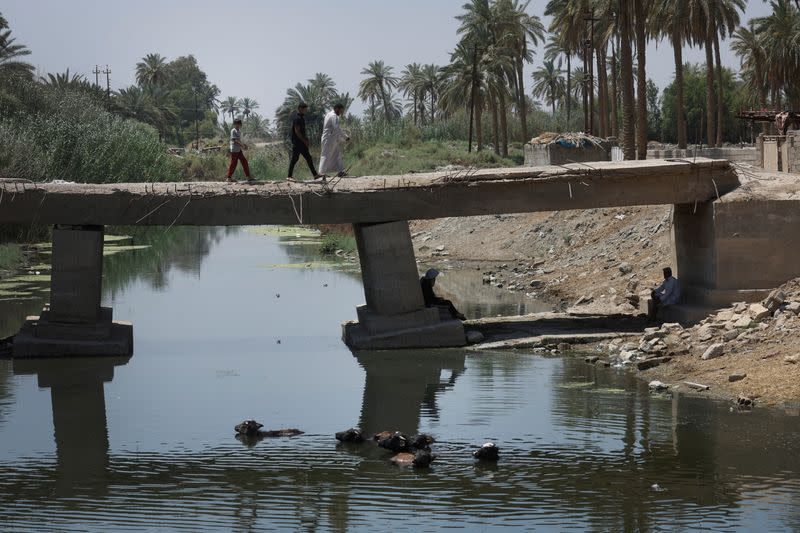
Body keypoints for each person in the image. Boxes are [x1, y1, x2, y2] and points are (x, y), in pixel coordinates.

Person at [287, 102, 320, 181]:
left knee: (308, 158)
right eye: (305, 109)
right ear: (300, 109)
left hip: (301, 142)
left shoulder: (301, 118)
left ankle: (315, 175)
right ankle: (289, 176)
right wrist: (304, 140)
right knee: (295, 158)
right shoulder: (297, 118)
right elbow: (297, 131)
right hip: (297, 142)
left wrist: (305, 140)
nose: (306, 111)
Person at [319, 103, 349, 177]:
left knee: (337, 155)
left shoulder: (329, 114)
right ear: (337, 109)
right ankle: (321, 173)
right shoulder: (333, 116)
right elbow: (337, 129)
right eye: (341, 111)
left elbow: (335, 131)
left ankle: (340, 171)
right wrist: (345, 137)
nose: (341, 113)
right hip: (328, 139)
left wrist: (341, 139)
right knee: (325, 155)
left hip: (331, 139)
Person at [226, 118, 254, 183]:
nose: (237, 125)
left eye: (238, 124)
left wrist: (244, 145)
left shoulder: (239, 131)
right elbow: (235, 140)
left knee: (244, 162)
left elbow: (239, 140)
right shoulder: (233, 131)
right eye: (236, 124)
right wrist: (243, 146)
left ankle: (248, 177)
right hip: (234, 150)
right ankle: (229, 178)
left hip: (238, 150)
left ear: (240, 124)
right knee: (233, 164)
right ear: (234, 124)